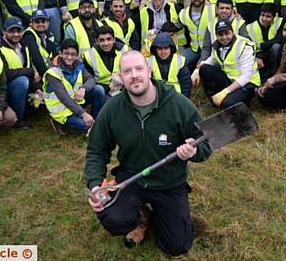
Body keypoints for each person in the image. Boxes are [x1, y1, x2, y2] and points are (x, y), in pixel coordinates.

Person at [85, 50, 212, 255]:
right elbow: (96, 150)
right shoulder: (112, 109)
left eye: (138, 68)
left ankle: (160, 215)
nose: (134, 75)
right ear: (121, 77)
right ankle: (141, 216)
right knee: (113, 218)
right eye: (127, 71)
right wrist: (94, 184)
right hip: (132, 177)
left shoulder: (178, 105)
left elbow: (206, 145)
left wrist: (193, 151)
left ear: (149, 71)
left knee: (176, 246)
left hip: (169, 181)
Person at [44, 39, 106, 134]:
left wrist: (83, 88)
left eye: (73, 54)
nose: (69, 57)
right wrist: (83, 114)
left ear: (77, 55)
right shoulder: (53, 72)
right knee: (85, 125)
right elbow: (64, 98)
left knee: (99, 90)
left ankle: (95, 121)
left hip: (75, 101)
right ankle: (58, 121)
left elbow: (91, 79)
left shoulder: (78, 64)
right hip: (62, 110)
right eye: (66, 53)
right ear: (60, 53)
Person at [195, 20, 260, 108]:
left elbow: (246, 76)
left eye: (227, 33)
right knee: (204, 68)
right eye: (220, 34)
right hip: (230, 79)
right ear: (216, 35)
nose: (224, 37)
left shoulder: (244, 46)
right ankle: (213, 100)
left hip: (247, 84)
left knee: (226, 104)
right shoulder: (217, 45)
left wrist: (226, 91)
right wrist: (198, 69)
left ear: (233, 32)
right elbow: (213, 59)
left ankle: (242, 101)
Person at [0, 17, 41, 130]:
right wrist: (30, 72)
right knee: (21, 81)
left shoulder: (23, 46)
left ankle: (27, 108)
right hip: (4, 89)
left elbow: (27, 68)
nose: (16, 34)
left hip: (22, 85)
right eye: (11, 31)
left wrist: (37, 88)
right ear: (4, 32)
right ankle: (19, 118)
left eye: (18, 31)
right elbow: (4, 73)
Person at [240, 2, 283, 82]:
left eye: (268, 16)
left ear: (275, 16)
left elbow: (279, 39)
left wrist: (261, 45)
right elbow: (247, 46)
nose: (264, 19)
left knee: (276, 47)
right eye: (262, 15)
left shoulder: (280, 22)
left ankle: (273, 75)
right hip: (257, 55)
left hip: (274, 54)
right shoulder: (250, 27)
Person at [179, 0, 215, 71]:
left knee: (200, 68)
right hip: (193, 48)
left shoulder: (213, 10)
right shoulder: (183, 13)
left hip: (210, 49)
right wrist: (181, 48)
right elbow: (178, 30)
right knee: (179, 63)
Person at [83, 25, 126, 94]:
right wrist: (109, 87)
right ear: (96, 42)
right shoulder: (89, 56)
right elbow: (89, 80)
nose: (106, 43)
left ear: (114, 39)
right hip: (103, 91)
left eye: (109, 39)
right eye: (102, 40)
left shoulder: (124, 50)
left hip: (123, 86)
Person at [148, 33, 191, 97]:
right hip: (157, 96)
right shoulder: (149, 62)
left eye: (166, 48)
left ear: (171, 48)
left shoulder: (179, 61)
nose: (163, 51)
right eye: (160, 48)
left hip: (176, 96)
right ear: (155, 49)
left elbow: (186, 85)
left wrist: (184, 102)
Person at [22, 9, 57, 81]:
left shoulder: (50, 36)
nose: (40, 24)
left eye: (43, 21)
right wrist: (47, 77)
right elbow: (36, 58)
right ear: (31, 23)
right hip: (35, 76)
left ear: (48, 23)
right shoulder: (29, 35)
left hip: (47, 72)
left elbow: (55, 57)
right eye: (37, 22)